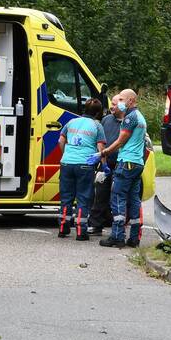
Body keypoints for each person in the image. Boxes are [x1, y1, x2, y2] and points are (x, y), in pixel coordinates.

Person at [97, 89, 147, 248]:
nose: (119, 103)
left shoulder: (130, 118)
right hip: (137, 163)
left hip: (126, 163)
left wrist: (104, 152)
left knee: (118, 197)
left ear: (130, 101)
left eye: (122, 100)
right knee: (134, 200)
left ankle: (117, 236)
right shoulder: (140, 116)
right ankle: (134, 238)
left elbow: (120, 141)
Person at [57, 99, 106, 241]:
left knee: (66, 197)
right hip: (85, 165)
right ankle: (81, 231)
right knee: (83, 198)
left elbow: (60, 141)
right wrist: (104, 166)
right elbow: (101, 148)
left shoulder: (71, 122)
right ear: (97, 113)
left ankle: (63, 228)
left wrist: (66, 155)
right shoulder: (97, 125)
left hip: (67, 163)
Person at [87, 97, 122, 236]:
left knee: (118, 196)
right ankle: (96, 225)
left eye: (114, 104)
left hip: (121, 164)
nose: (111, 107)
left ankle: (118, 229)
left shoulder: (129, 122)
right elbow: (100, 140)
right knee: (100, 194)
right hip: (105, 163)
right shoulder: (106, 120)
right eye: (111, 104)